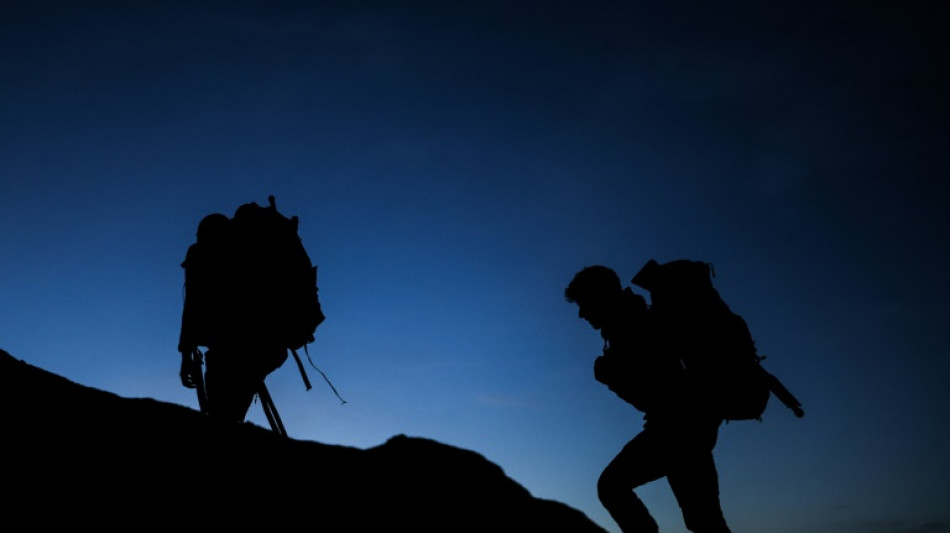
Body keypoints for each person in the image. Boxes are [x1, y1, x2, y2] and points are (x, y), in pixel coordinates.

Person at [565, 265, 731, 533]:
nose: (582, 313)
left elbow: (657, 390)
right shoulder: (637, 318)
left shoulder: (630, 324)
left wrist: (612, 377)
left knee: (611, 487)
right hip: (690, 425)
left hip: (677, 428)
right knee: (705, 519)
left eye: (584, 303)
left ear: (603, 295)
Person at [178, 212, 288, 423]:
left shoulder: (200, 254)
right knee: (230, 414)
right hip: (265, 347)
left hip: (228, 351)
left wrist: (185, 358)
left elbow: (191, 306)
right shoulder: (251, 255)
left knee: (222, 418)